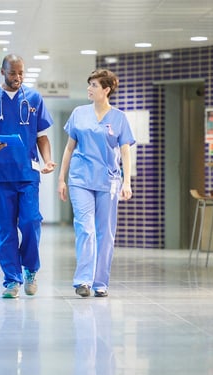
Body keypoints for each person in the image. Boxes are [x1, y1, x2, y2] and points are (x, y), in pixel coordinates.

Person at [0, 54, 56, 298]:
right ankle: (11, 279)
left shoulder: (33, 98)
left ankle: (30, 269)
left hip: (28, 172)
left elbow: (42, 135)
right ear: (2, 72)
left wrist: (48, 159)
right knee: (6, 227)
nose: (18, 78)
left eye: (21, 73)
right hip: (0, 173)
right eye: (13, 73)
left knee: (30, 220)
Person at [57, 69, 135, 298]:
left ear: (106, 90)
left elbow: (125, 152)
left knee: (106, 232)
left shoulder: (119, 118)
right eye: (89, 84)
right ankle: (83, 281)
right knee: (85, 228)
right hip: (80, 179)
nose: (89, 89)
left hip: (108, 181)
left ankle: (100, 282)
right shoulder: (79, 113)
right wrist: (61, 179)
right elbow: (69, 147)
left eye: (94, 85)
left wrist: (127, 181)